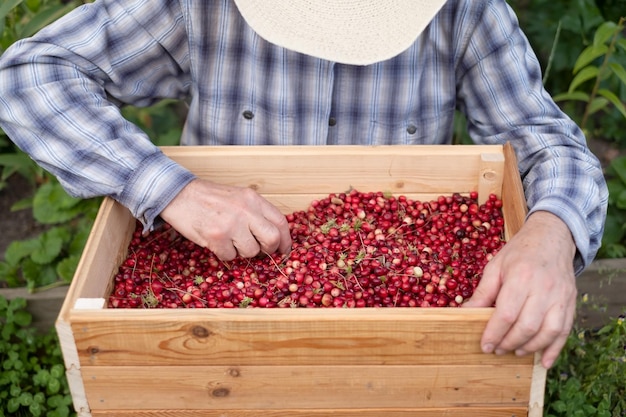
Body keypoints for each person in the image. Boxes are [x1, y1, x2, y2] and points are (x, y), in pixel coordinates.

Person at [0, 0, 608, 369]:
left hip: (398, 343)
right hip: (212, 323)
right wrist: (173, 191)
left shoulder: (463, 10)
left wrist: (550, 235)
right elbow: (27, 76)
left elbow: (544, 137)